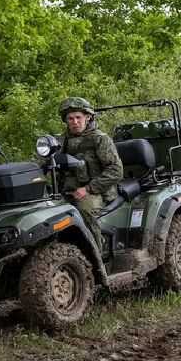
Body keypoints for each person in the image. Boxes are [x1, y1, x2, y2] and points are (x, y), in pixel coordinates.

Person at [52, 97, 123, 252]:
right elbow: (39, 161)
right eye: (70, 118)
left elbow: (115, 170)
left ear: (87, 117)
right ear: (65, 120)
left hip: (96, 192)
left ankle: (95, 253)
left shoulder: (99, 139)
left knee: (84, 210)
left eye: (78, 117)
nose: (75, 122)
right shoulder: (59, 141)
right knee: (46, 213)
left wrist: (88, 188)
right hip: (65, 191)